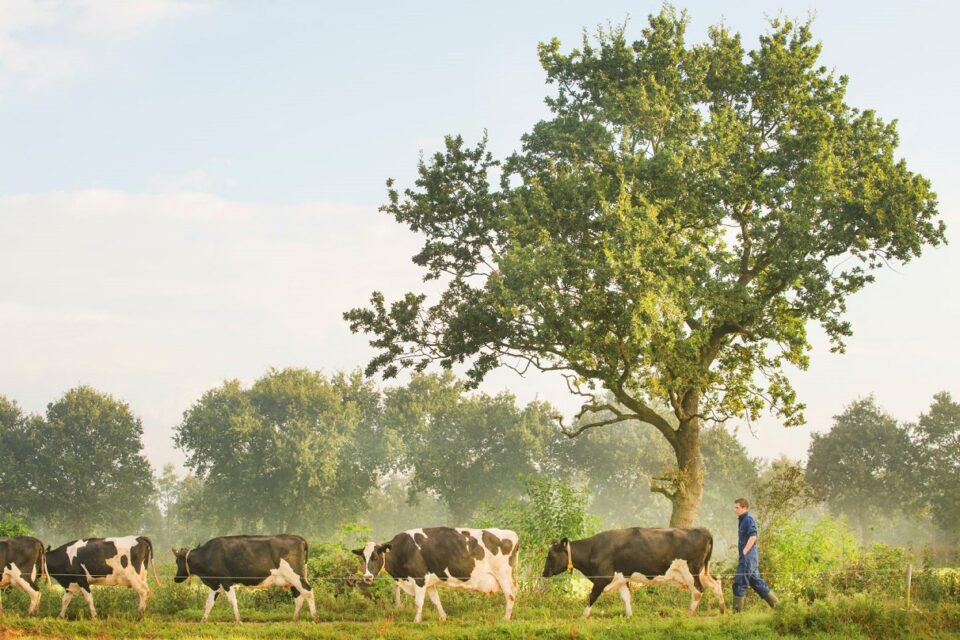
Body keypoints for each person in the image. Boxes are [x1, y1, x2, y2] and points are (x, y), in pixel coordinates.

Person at [733, 497, 779, 611]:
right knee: (758, 584)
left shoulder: (748, 519)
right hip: (750, 558)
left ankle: (735, 620)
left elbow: (753, 536)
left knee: (739, 584)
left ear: (744, 507)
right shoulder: (742, 520)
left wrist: (744, 552)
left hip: (748, 558)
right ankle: (780, 609)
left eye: (737, 507)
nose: (735, 510)